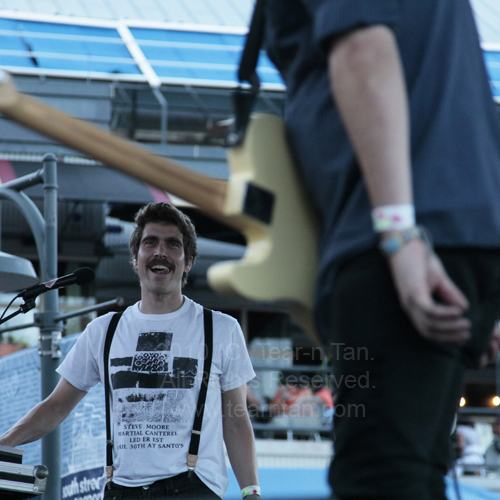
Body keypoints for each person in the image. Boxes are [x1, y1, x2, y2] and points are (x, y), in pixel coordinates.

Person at [264, 1, 500, 499]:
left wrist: (399, 232)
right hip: (458, 234)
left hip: (399, 239)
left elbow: (362, 47)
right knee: (416, 473)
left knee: (381, 476)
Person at [0, 202, 261, 500]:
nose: (160, 252)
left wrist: (251, 492)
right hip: (121, 491)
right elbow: (56, 406)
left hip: (193, 488)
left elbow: (236, 420)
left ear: (188, 261)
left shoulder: (221, 328)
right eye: (150, 242)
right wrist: (4, 444)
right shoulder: (103, 330)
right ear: (135, 260)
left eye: (172, 244)